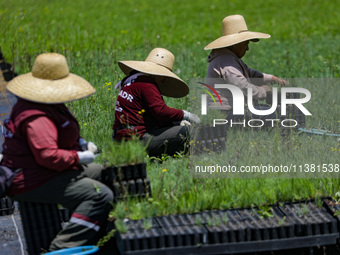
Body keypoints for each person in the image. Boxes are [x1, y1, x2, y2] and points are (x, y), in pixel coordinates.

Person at [1, 53, 114, 251]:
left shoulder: (47, 105)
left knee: (102, 172)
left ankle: (97, 229)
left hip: (43, 171)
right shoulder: (37, 117)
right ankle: (61, 247)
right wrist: (79, 156)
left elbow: (58, 137)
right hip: (31, 180)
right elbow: (48, 156)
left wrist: (80, 144)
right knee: (99, 195)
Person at [113, 48, 200, 157]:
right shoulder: (147, 84)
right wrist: (185, 115)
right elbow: (160, 111)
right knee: (189, 132)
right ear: (158, 74)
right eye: (164, 76)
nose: (164, 80)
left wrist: (175, 123)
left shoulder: (132, 82)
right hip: (137, 140)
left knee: (180, 130)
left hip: (122, 139)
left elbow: (153, 117)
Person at [204, 14, 289, 122]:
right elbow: (242, 86)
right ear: (235, 44)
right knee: (277, 115)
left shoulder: (229, 59)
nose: (247, 48)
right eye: (245, 44)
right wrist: (263, 91)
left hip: (231, 111)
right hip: (226, 113)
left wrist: (272, 79)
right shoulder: (226, 62)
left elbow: (251, 73)